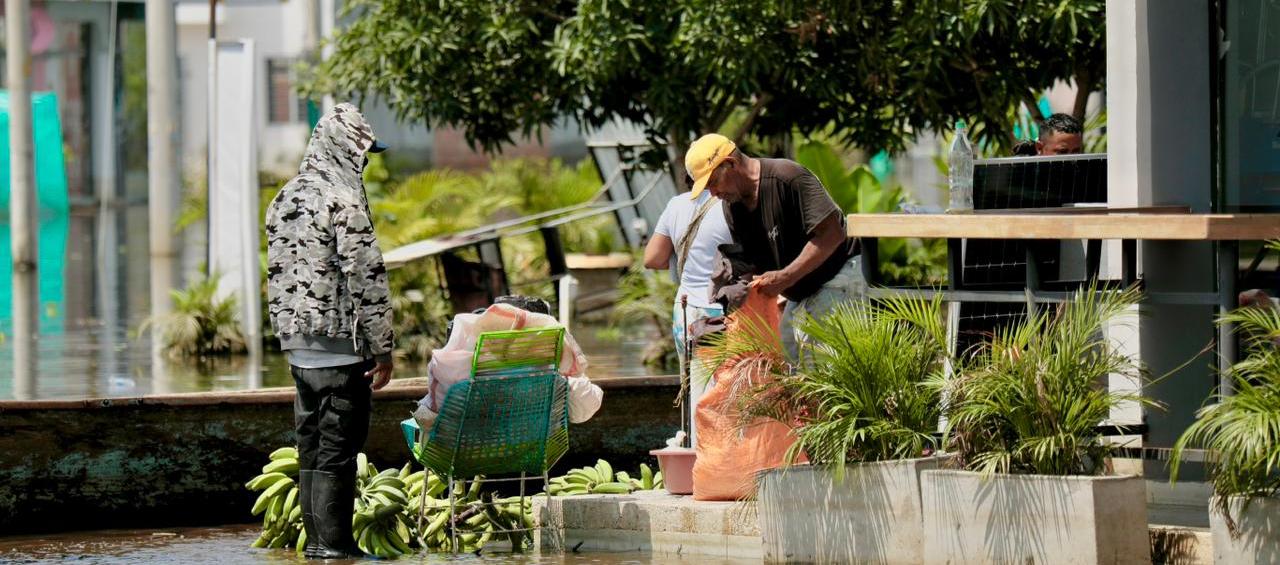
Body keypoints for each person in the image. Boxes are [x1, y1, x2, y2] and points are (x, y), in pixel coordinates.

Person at [265, 102, 394, 559]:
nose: (364, 162)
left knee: (311, 447)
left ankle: (318, 547)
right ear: (344, 149)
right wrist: (383, 349)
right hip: (343, 350)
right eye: (362, 153)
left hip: (298, 351)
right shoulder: (345, 202)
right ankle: (337, 547)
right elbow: (367, 279)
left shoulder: (283, 198)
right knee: (338, 450)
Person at [686, 133, 863, 360]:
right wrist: (732, 302)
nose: (713, 193)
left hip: (837, 276)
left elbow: (833, 234)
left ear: (730, 164)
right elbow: (752, 263)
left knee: (822, 365)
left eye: (712, 182)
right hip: (799, 289)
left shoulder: (787, 177)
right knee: (787, 359)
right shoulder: (733, 207)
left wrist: (786, 277)